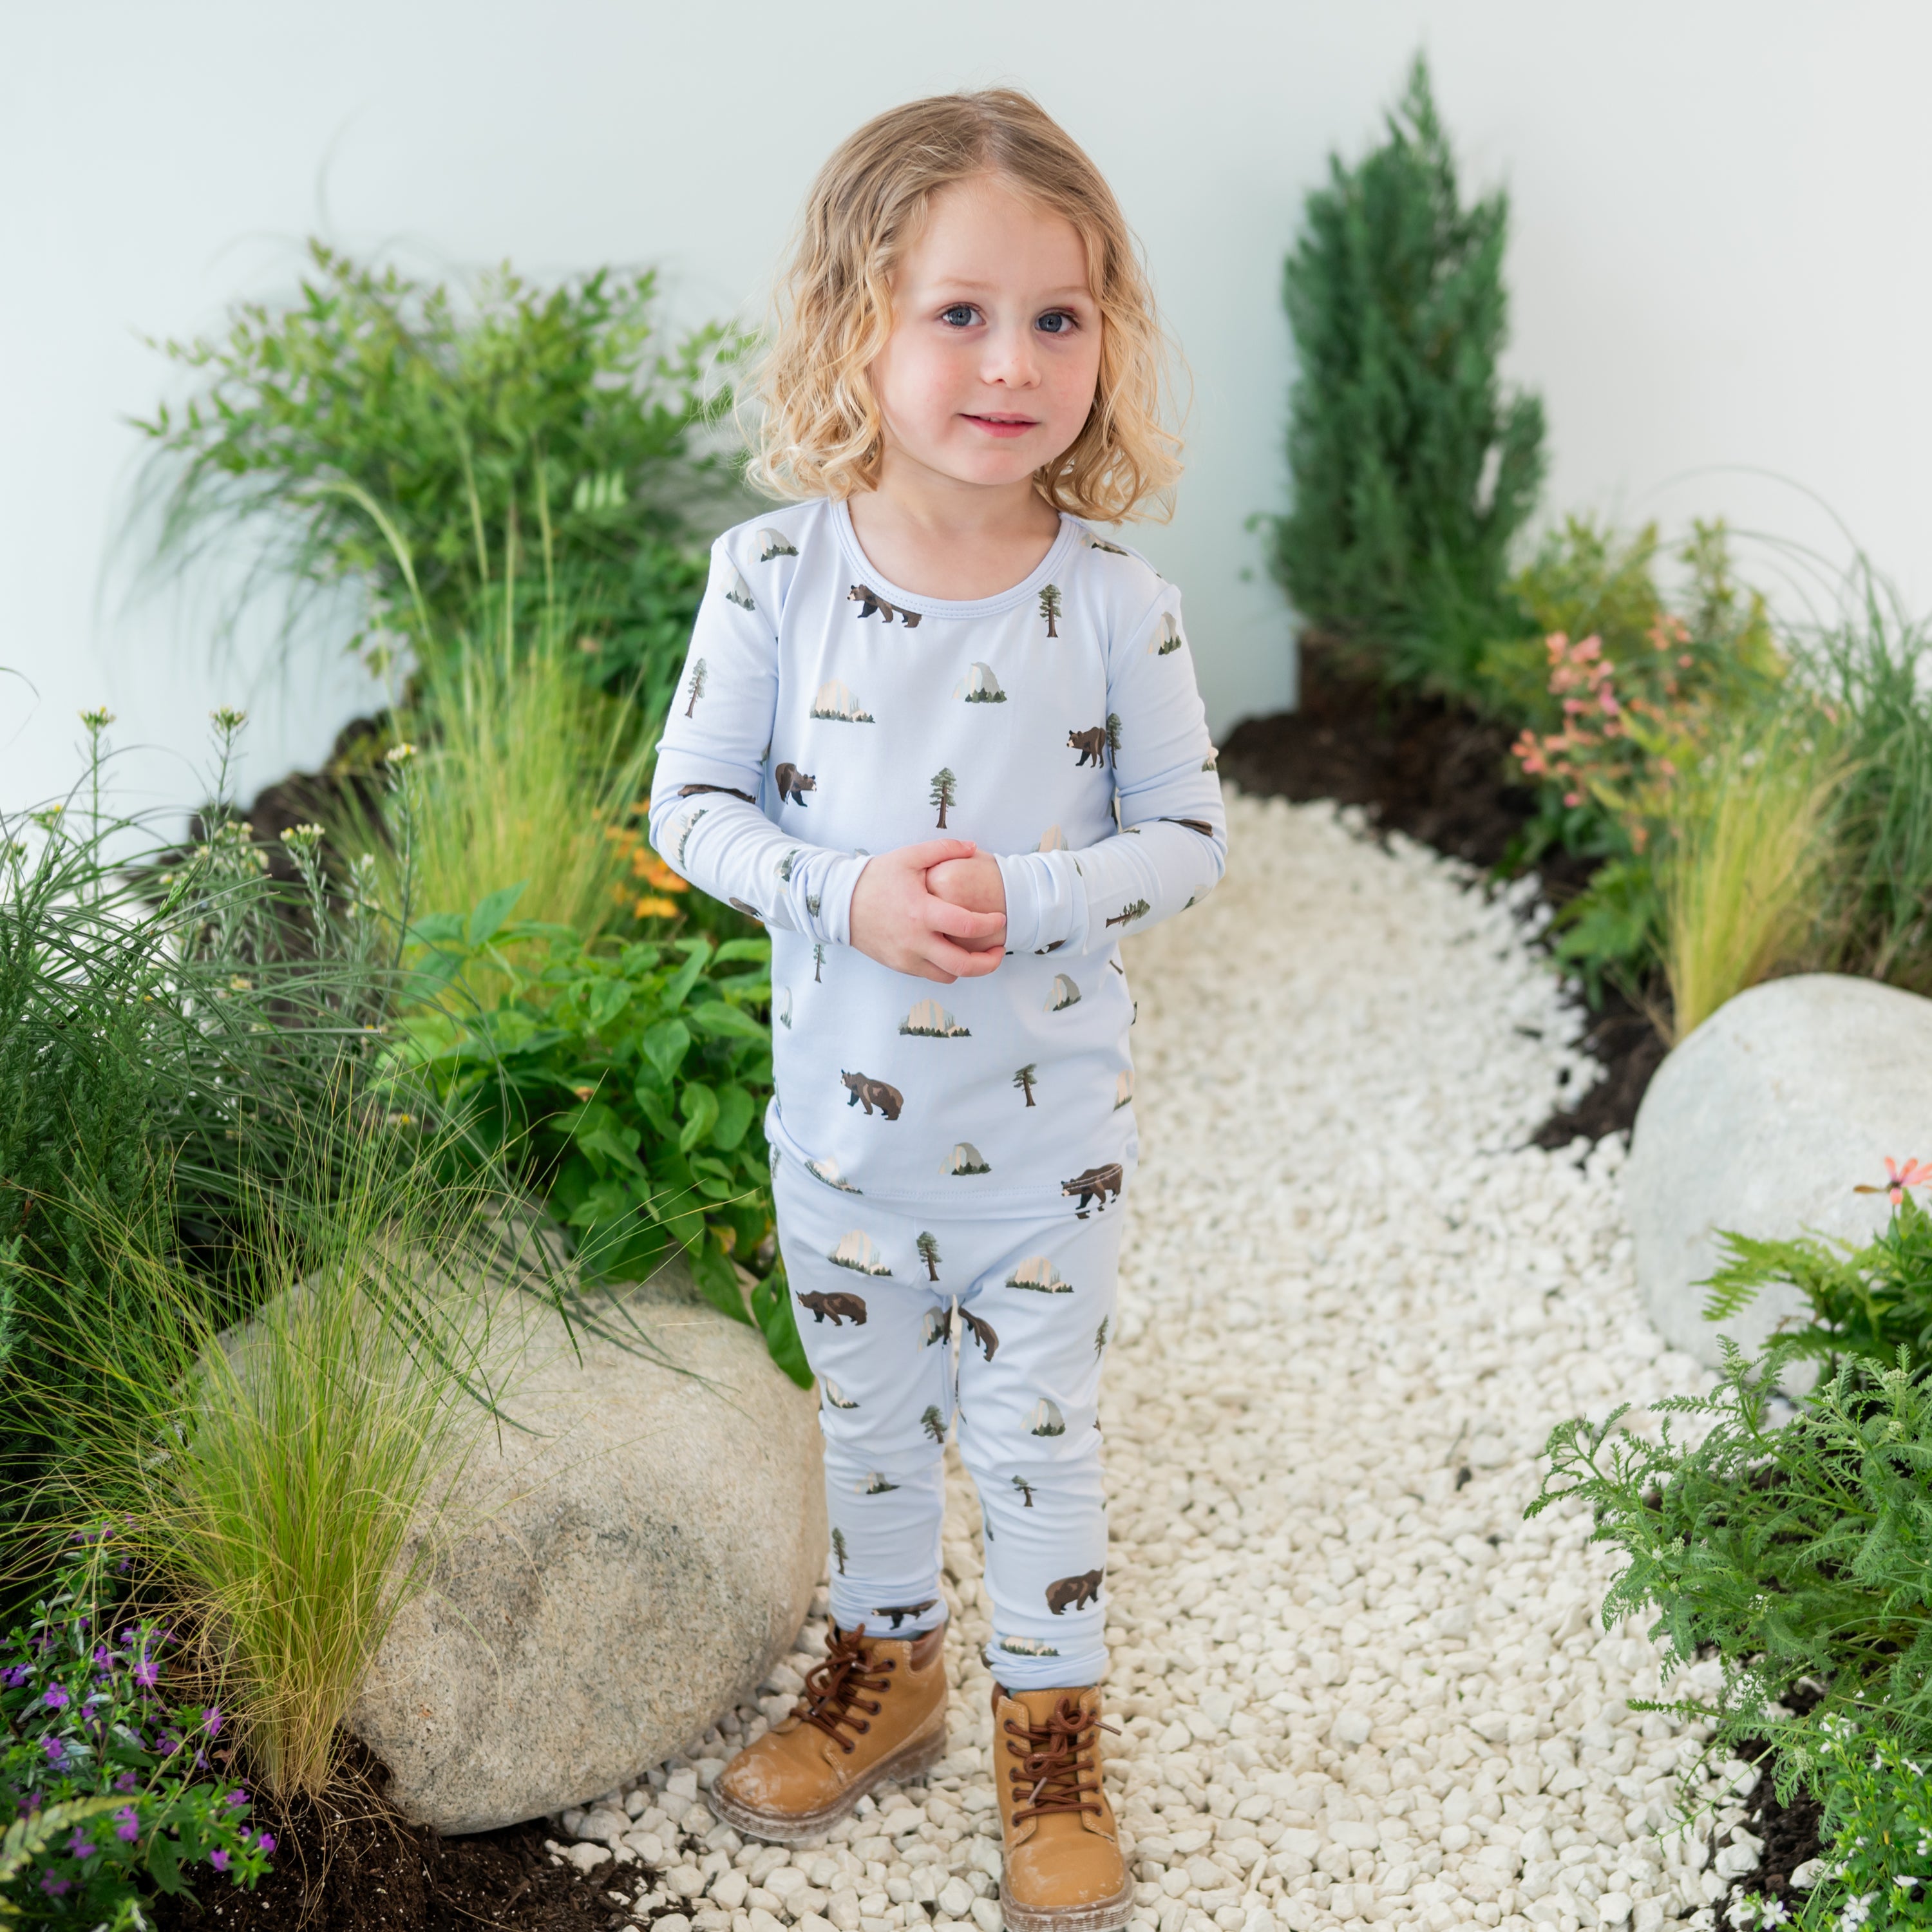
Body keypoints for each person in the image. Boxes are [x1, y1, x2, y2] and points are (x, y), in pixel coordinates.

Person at [647, 87, 1227, 1932]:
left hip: (1046, 1158)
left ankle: (1049, 1730)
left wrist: (1039, 893)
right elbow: (693, 813)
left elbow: (1195, 837)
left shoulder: (1118, 606)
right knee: (878, 1432)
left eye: (1058, 318)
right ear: (855, 326)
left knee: (1037, 1439)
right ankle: (886, 1671)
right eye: (958, 313)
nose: (1011, 362)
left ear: (1108, 342)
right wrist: (848, 896)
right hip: (841, 1142)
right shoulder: (771, 576)